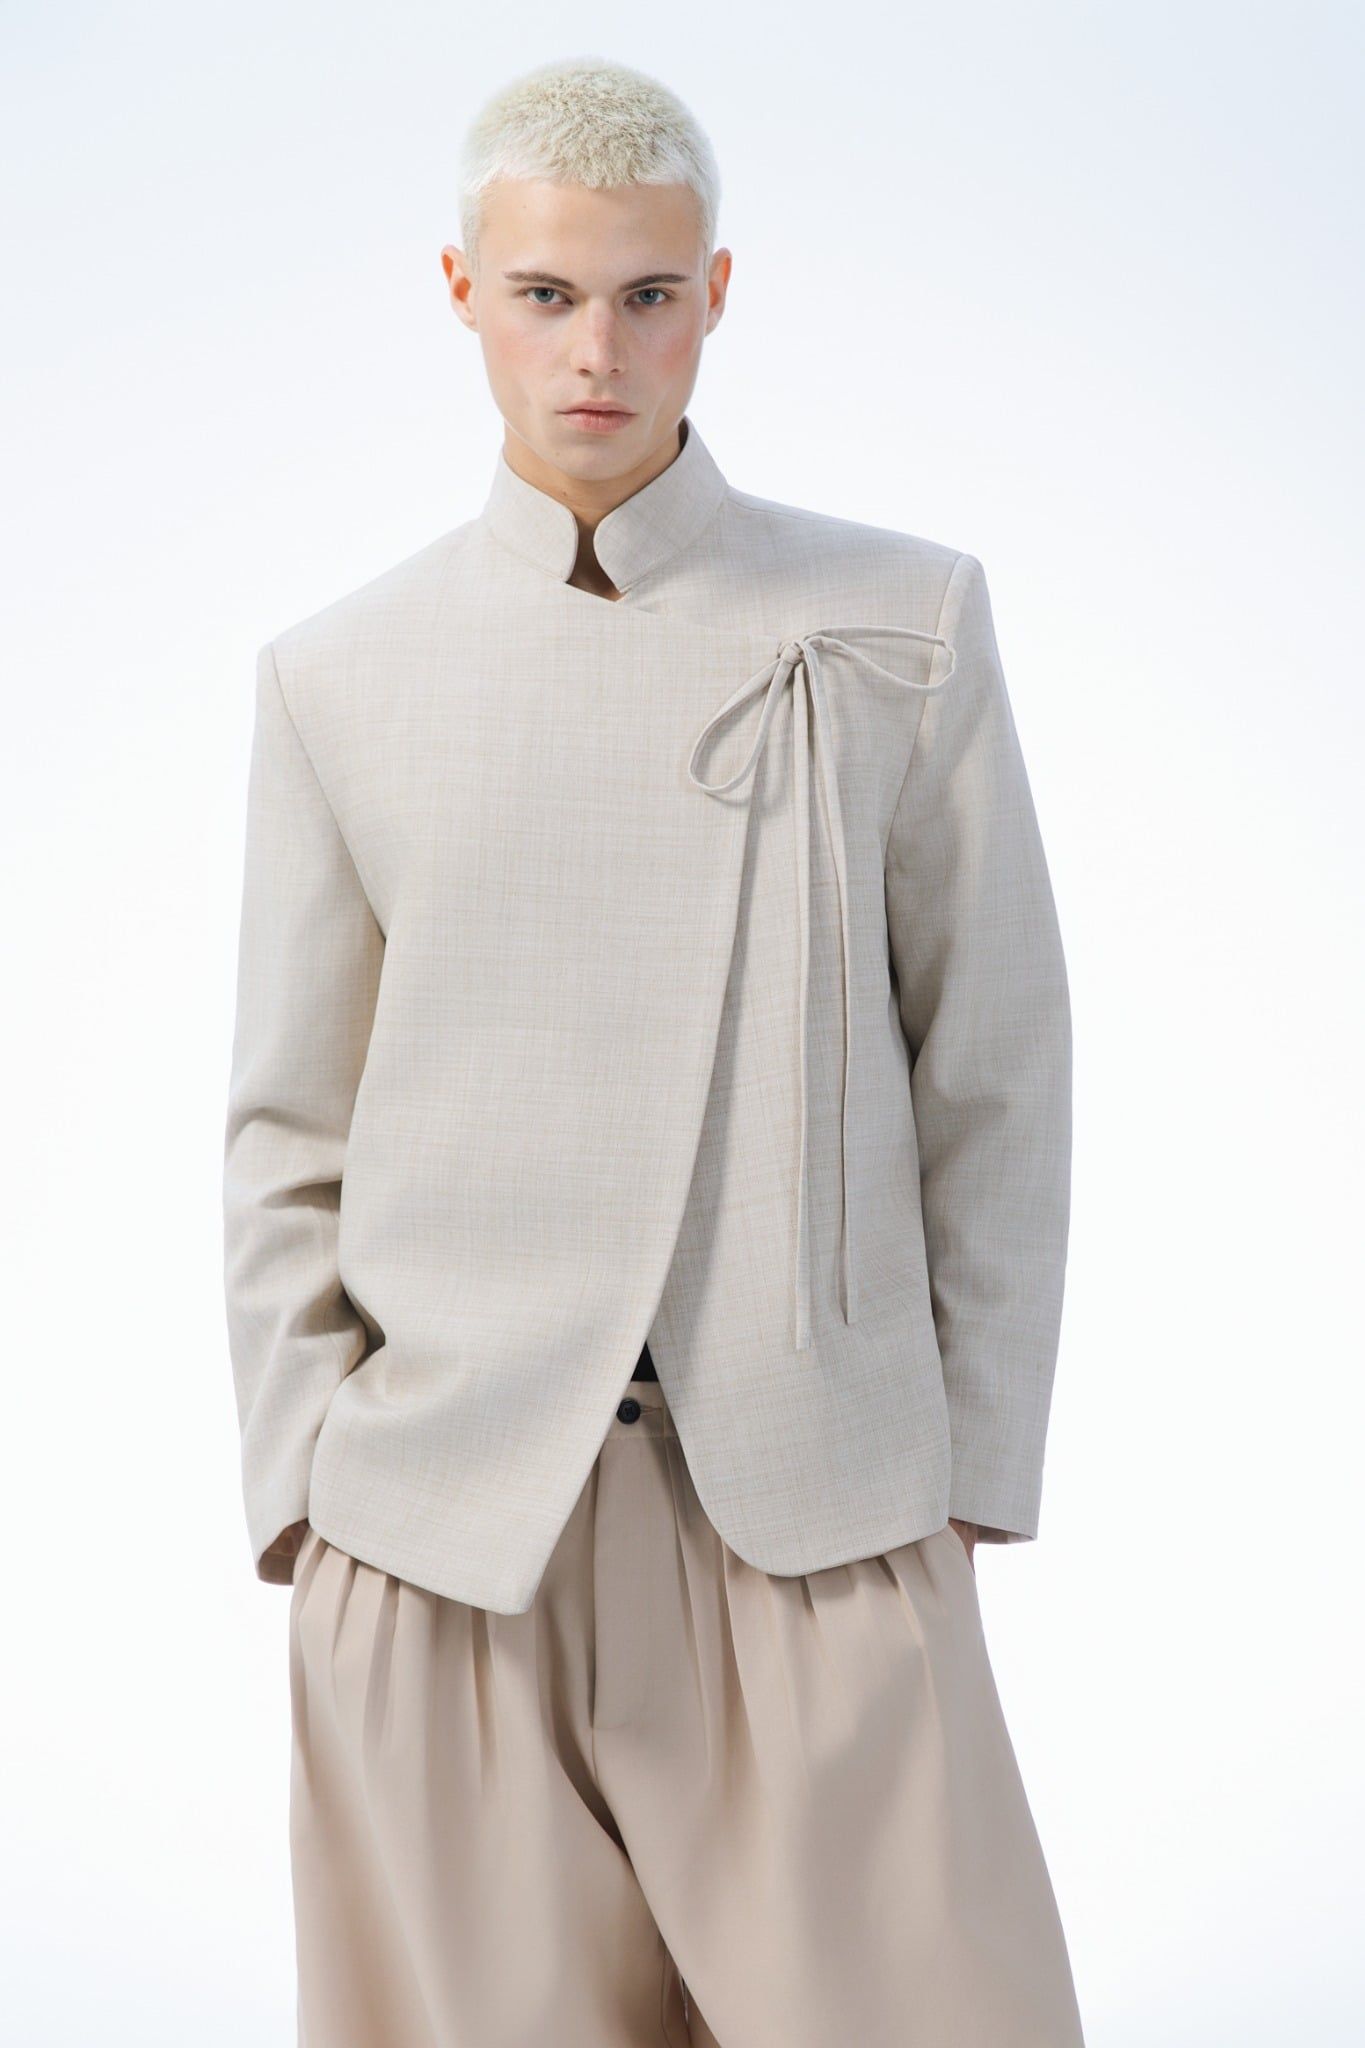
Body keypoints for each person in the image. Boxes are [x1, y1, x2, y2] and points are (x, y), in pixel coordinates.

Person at [223, 53, 1085, 2048]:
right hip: (445, 1529)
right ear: (462, 290)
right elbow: (286, 1124)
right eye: (543, 294)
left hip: (816, 1503)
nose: (593, 350)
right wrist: (306, 1486)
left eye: (644, 295)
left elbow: (995, 1066)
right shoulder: (339, 673)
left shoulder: (896, 621)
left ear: (716, 294)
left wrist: (967, 1457)